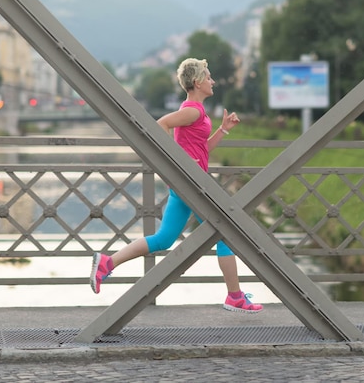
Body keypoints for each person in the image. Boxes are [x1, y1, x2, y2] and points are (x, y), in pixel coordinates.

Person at [89, 58, 263, 313]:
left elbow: (202, 150)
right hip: (192, 185)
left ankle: (107, 262)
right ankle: (235, 297)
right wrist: (178, 161)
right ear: (197, 82)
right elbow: (161, 124)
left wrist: (223, 131)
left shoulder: (195, 111)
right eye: (209, 77)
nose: (213, 81)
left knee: (164, 239)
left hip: (189, 183)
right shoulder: (192, 110)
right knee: (225, 235)